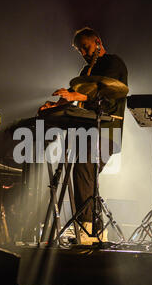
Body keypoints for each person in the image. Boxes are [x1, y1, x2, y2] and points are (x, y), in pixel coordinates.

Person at [39, 27, 128, 244]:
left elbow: (103, 94)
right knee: (85, 177)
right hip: (88, 132)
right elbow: (74, 97)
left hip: (107, 130)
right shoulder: (84, 72)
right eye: (80, 50)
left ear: (97, 42)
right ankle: (95, 231)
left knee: (83, 170)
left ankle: (86, 228)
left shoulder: (113, 63)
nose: (84, 53)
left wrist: (73, 96)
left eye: (86, 47)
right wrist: (55, 104)